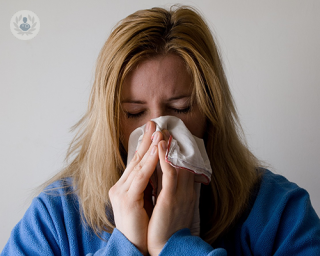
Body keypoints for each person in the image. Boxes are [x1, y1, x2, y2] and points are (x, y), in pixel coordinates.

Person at [2, 5, 320, 256]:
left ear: (212, 112)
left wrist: (177, 245)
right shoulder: (55, 219)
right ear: (110, 121)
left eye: (181, 108)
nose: (156, 134)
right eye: (134, 113)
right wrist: (125, 245)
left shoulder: (279, 212)